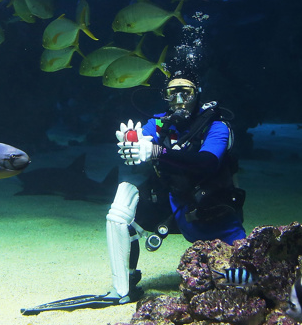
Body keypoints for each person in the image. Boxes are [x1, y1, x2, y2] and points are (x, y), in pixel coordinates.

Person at [105, 68, 246, 304]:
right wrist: (132, 142)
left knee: (237, 278)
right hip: (172, 206)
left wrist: (156, 151)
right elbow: (143, 138)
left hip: (212, 210)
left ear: (197, 94)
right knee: (121, 209)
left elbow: (206, 163)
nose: (179, 100)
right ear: (165, 96)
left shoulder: (217, 126)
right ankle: (124, 285)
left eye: (186, 93)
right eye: (172, 93)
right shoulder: (160, 123)